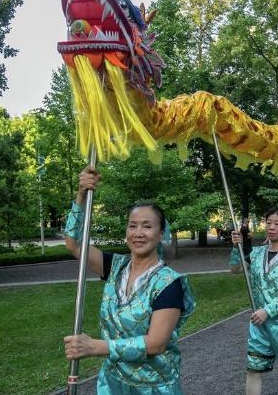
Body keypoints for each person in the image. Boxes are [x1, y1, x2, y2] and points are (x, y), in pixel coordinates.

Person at [63, 166, 196, 394]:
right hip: (112, 383)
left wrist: (96, 346)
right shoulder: (115, 267)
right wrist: (81, 194)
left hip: (153, 387)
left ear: (161, 232)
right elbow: (74, 243)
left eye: (147, 226)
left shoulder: (168, 283)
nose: (138, 233)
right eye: (132, 226)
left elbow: (156, 343)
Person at [232, 208, 278, 395]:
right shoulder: (256, 253)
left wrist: (267, 311)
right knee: (253, 369)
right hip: (259, 324)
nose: (271, 227)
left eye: (277, 223)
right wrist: (236, 248)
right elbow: (235, 269)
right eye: (269, 222)